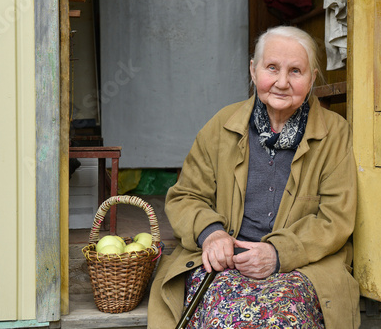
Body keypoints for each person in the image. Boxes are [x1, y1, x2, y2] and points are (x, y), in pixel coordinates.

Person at [148, 25, 360, 328]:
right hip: (224, 264)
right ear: (253, 70)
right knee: (226, 317)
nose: (282, 82)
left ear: (312, 78)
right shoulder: (222, 125)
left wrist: (277, 253)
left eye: (296, 71)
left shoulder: (335, 132)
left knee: (280, 318)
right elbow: (185, 196)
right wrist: (212, 235)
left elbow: (335, 218)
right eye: (272, 68)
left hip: (299, 267)